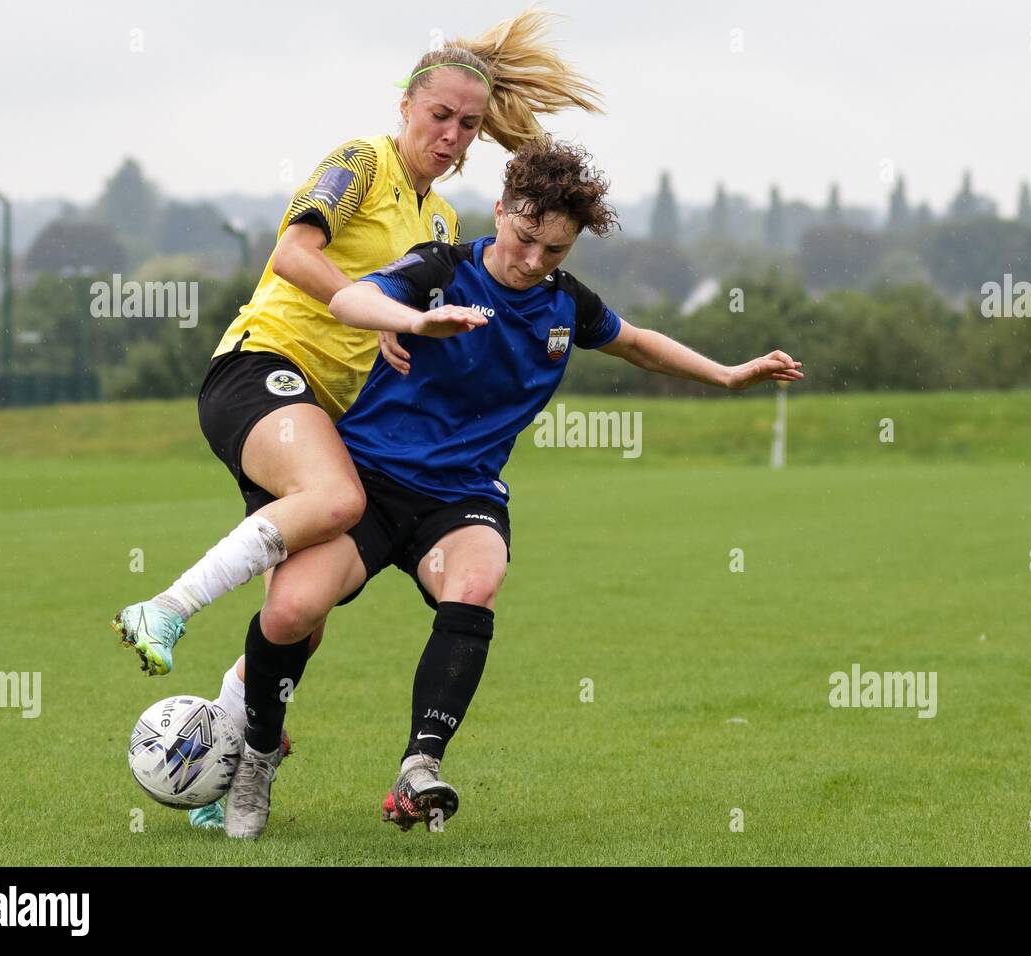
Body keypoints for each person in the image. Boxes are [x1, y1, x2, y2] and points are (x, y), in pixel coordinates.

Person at [220, 139, 804, 839]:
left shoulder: (566, 308)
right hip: (368, 481)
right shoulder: (441, 269)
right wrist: (403, 320)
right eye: (525, 238)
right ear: (500, 211)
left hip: (460, 497)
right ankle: (257, 754)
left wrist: (727, 374)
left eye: (554, 250)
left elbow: (637, 341)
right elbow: (365, 293)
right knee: (289, 615)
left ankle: (419, 767)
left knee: (478, 577)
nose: (533, 261)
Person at [110, 8, 604, 683]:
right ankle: (165, 607)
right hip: (265, 367)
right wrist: (375, 312)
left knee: (297, 621)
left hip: (330, 416)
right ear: (406, 104)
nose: (451, 134)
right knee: (340, 501)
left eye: (467, 125)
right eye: (438, 115)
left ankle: (220, 758)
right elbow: (290, 252)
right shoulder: (360, 162)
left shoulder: (441, 219)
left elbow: (421, 333)